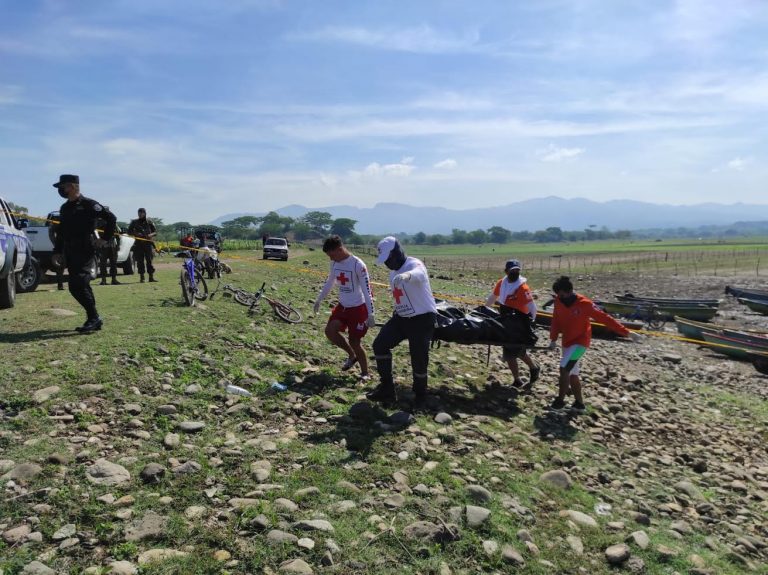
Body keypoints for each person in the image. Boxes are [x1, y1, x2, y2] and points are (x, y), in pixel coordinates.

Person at [548, 275, 640, 413]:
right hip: (566, 343)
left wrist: (627, 333)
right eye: (558, 295)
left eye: (561, 295)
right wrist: (553, 339)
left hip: (580, 344)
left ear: (569, 291)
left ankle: (559, 402)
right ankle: (579, 404)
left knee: (564, 369)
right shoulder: (558, 302)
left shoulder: (585, 304)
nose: (560, 298)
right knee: (572, 374)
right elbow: (556, 320)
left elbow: (605, 318)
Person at [368, 236, 437, 407]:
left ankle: (420, 394)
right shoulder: (392, 274)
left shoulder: (414, 264)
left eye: (389, 259)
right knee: (380, 345)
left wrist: (407, 276)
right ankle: (387, 388)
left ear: (397, 252)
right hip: (401, 318)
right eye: (385, 261)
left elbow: (419, 274)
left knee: (418, 357)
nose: (387, 264)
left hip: (422, 318)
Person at [51, 174, 116, 333]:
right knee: (81, 284)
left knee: (77, 284)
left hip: (86, 248)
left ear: (72, 186)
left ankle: (94, 317)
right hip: (70, 250)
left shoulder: (89, 204)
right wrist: (57, 251)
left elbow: (111, 218)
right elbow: (61, 232)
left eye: (63, 186)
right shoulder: (64, 208)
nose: (61, 190)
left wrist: (105, 239)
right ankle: (94, 318)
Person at [313, 235, 375, 378]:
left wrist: (371, 313)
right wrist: (319, 299)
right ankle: (352, 355)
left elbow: (367, 290)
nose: (331, 258)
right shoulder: (334, 263)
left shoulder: (358, 265)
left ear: (340, 249)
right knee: (330, 331)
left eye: (332, 255)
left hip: (359, 308)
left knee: (355, 341)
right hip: (343, 306)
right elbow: (330, 282)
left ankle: (365, 373)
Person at [485, 259, 540, 390]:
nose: (515, 272)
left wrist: (532, 324)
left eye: (517, 270)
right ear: (506, 271)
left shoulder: (522, 288)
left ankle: (533, 367)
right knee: (508, 351)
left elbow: (532, 308)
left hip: (519, 322)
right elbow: (493, 297)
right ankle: (517, 379)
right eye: (512, 270)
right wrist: (484, 309)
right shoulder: (501, 283)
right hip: (506, 320)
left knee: (517, 350)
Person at [128, 208, 157, 282]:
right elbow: (129, 232)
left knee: (149, 261)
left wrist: (150, 235)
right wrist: (136, 234)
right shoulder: (134, 222)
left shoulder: (149, 222)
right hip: (138, 244)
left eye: (141, 213)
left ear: (145, 213)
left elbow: (155, 232)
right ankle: (142, 277)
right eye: (139, 213)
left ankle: (151, 277)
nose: (140, 214)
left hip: (148, 243)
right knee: (140, 261)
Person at [97, 218, 120, 285]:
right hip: (103, 245)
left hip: (112, 245)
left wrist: (118, 245)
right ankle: (103, 280)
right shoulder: (98, 222)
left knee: (113, 263)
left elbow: (117, 234)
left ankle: (114, 279)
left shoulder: (113, 222)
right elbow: (96, 233)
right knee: (103, 263)